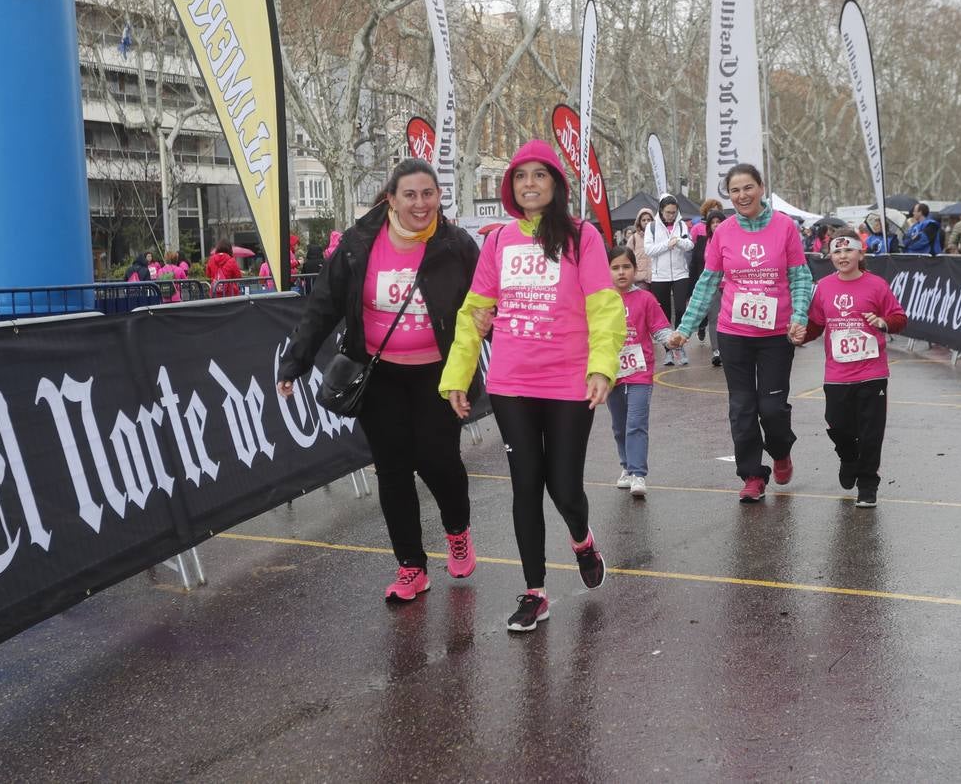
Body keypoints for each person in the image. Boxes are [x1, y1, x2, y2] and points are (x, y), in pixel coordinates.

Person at [439, 139, 625, 633]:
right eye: (520, 177)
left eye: (539, 175)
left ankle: (582, 540)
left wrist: (602, 366)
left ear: (556, 184)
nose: (529, 185)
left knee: (564, 487)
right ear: (510, 187)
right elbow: (472, 313)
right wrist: (458, 375)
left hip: (569, 380)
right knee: (525, 486)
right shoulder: (498, 241)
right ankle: (535, 592)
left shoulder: (581, 236)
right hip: (512, 382)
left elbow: (605, 305)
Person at [276, 158, 481, 603]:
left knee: (438, 460)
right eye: (410, 194)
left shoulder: (457, 245)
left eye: (429, 193)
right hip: (378, 374)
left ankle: (457, 529)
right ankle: (411, 567)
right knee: (392, 471)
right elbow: (323, 305)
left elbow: (485, 303)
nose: (421, 203)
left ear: (438, 197)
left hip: (439, 375)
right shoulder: (359, 243)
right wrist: (296, 361)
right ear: (391, 198)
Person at [666, 163, 810, 504]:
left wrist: (799, 317)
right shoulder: (724, 232)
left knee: (772, 408)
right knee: (742, 407)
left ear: (761, 188)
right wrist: (685, 328)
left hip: (776, 334)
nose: (742, 195)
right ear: (728, 196)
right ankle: (752, 476)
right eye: (735, 190)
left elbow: (801, 277)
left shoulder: (785, 227)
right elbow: (708, 283)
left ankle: (780, 450)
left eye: (748, 188)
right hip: (734, 332)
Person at [792, 231, 907, 507]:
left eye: (848, 251)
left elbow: (899, 318)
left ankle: (868, 485)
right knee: (837, 424)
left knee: (871, 431)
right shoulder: (823, 287)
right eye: (837, 252)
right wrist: (800, 336)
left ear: (860, 254)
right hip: (837, 374)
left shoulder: (877, 286)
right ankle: (848, 456)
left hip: (872, 372)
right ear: (830, 256)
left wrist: (883, 323)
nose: (843, 256)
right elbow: (817, 324)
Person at [604, 246, 672, 499]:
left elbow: (660, 328)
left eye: (626, 267)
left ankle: (638, 473)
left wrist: (672, 339)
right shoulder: (601, 299)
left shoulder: (645, 298)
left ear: (635, 270)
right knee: (619, 426)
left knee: (636, 423)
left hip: (640, 372)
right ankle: (626, 466)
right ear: (607, 270)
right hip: (611, 373)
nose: (621, 272)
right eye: (615, 267)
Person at [644, 194, 694, 366]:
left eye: (674, 212)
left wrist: (678, 241)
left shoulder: (681, 225)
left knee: (680, 309)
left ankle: (679, 345)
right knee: (664, 314)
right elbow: (648, 250)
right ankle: (668, 351)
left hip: (681, 274)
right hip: (660, 276)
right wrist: (667, 244)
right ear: (661, 210)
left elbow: (690, 245)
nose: (671, 215)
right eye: (668, 212)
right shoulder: (651, 227)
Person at [690, 208, 726, 365]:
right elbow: (699, 263)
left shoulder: (732, 239)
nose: (716, 225)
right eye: (713, 222)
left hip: (730, 285)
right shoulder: (706, 242)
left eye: (719, 222)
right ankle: (717, 351)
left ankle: (731, 350)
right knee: (714, 318)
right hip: (714, 285)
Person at [626, 207, 655, 289]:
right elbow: (627, 257)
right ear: (639, 222)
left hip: (656, 277)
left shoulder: (658, 236)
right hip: (640, 279)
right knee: (643, 300)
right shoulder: (633, 238)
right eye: (643, 220)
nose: (646, 222)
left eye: (649, 220)